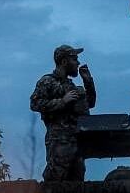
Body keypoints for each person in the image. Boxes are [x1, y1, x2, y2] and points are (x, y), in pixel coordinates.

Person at [30, 44, 96, 182]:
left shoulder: (71, 86)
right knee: (56, 178)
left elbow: (89, 104)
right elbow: (35, 103)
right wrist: (62, 102)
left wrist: (88, 82)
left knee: (77, 181)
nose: (78, 63)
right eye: (74, 59)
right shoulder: (47, 81)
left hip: (76, 141)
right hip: (59, 141)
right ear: (64, 61)